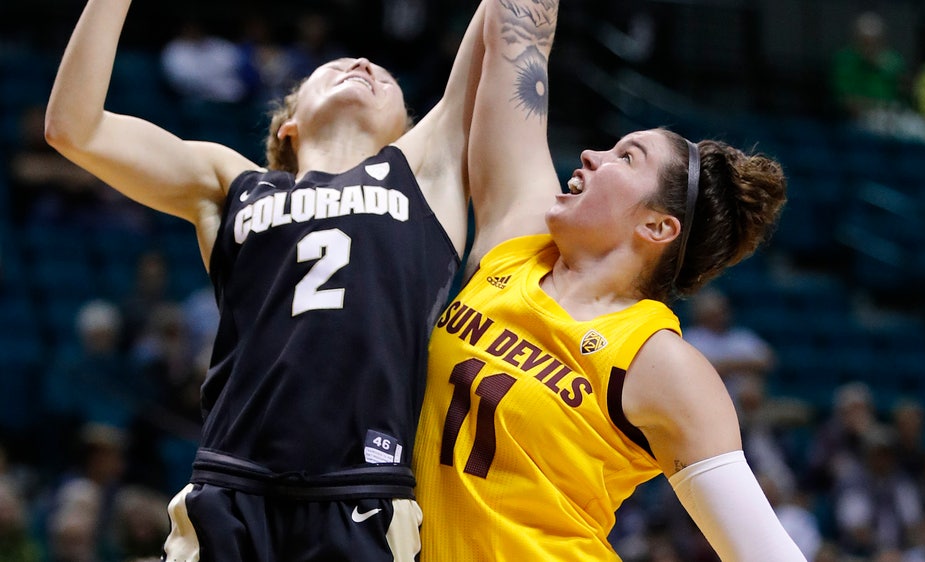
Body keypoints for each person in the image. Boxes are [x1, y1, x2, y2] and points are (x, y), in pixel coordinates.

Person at [46, 0, 487, 559]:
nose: (361, 63)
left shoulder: (423, 172)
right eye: (333, 67)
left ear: (405, 128)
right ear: (290, 122)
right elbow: (74, 129)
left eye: (384, 75)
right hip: (231, 485)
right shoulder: (231, 182)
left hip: (363, 489)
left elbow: (498, 29)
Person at [413, 1, 805, 560]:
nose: (593, 154)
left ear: (656, 225)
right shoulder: (516, 243)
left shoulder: (660, 362)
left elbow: (769, 554)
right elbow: (516, 38)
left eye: (627, 157)